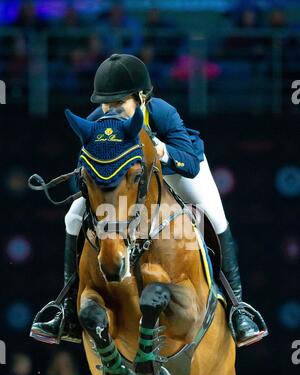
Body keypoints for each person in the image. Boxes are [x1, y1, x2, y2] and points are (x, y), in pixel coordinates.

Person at [31, 53, 267, 348]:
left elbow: (190, 164)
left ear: (141, 96)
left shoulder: (162, 113)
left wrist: (161, 151)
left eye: (119, 103)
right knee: (73, 217)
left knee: (215, 216)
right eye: (106, 104)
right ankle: (66, 310)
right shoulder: (97, 125)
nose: (111, 110)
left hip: (175, 169)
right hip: (130, 184)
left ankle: (238, 309)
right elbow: (87, 174)